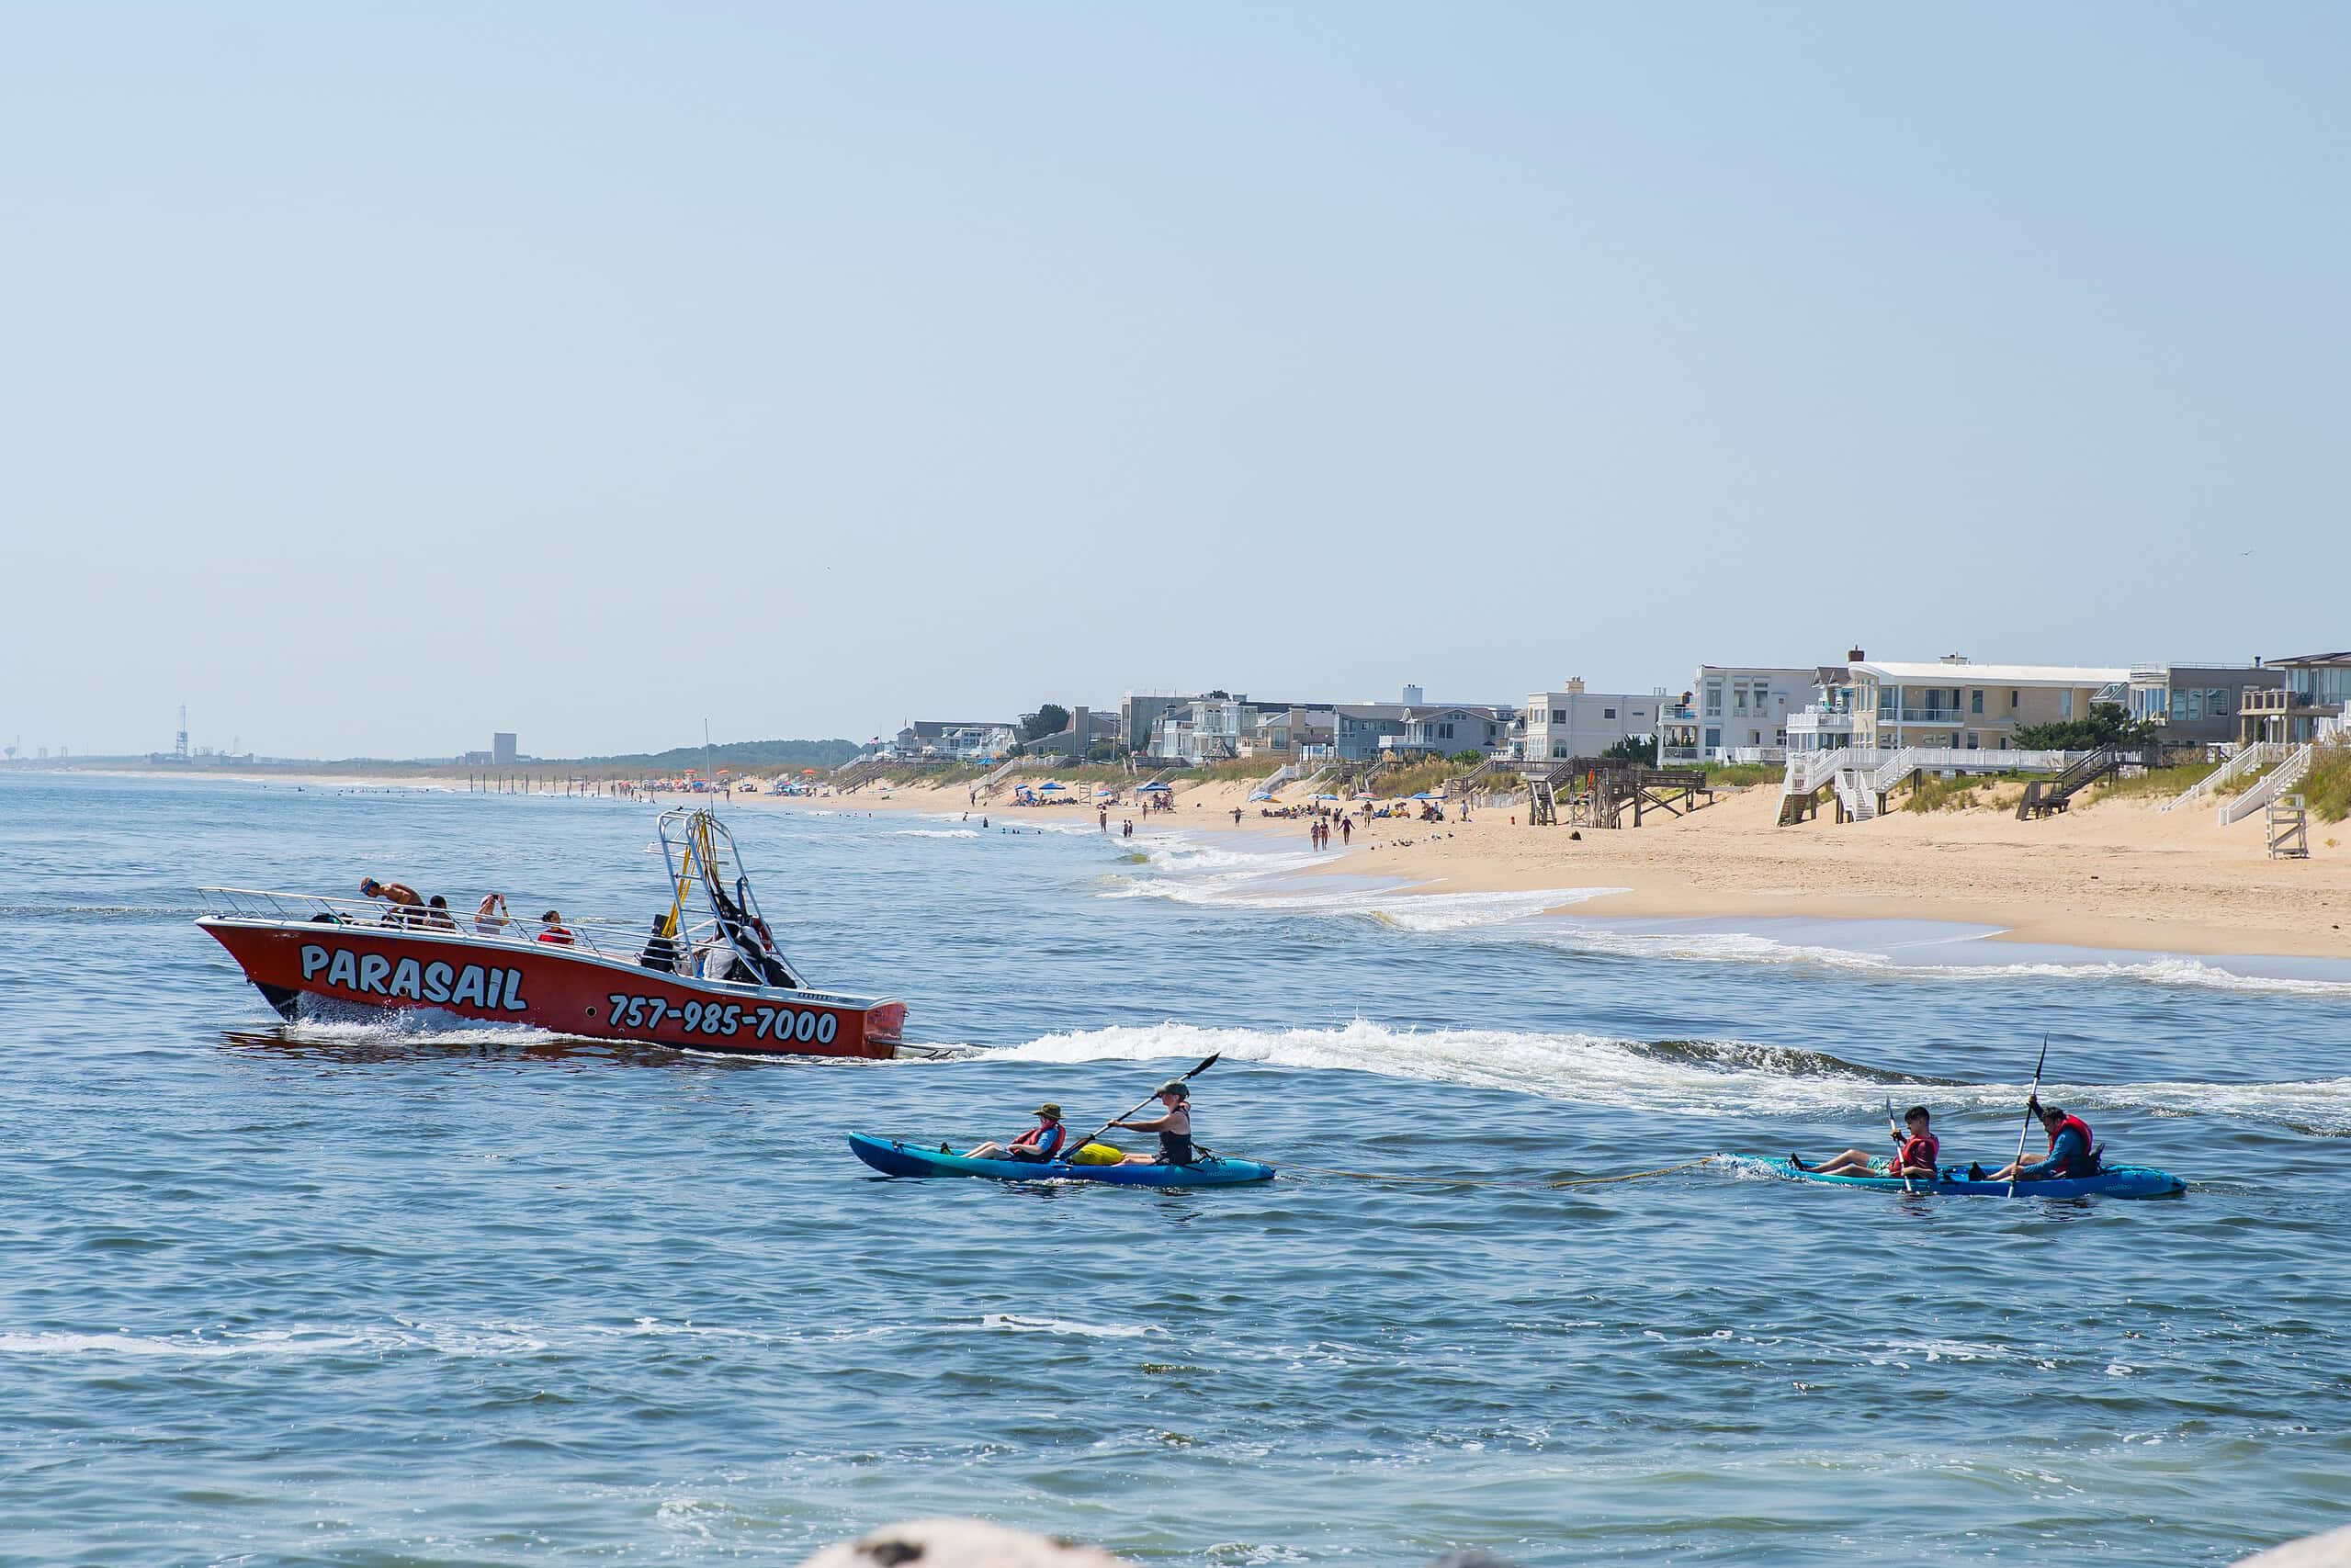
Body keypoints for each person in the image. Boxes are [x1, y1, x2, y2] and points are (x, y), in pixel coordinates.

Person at [1796, 1106, 1938, 1179]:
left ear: (1921, 1122)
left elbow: (1932, 1173)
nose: (1908, 1127)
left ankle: (1814, 1177)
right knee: (1851, 1154)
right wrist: (1902, 1139)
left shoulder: (1924, 1145)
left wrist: (1913, 1170)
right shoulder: (1926, 1138)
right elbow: (1913, 1153)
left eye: (1910, 1124)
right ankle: (1812, 1171)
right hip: (1889, 1165)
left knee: (1851, 1169)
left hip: (1893, 1174)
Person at [1987, 1100, 2097, 1183]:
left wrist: (2024, 1170)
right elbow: (2046, 1119)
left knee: (2026, 1175)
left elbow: (2052, 1163)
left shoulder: (2065, 1137)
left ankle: (1995, 1185)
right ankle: (1991, 1178)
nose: (2045, 1128)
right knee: (2025, 1158)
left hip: (2067, 1171)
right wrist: (2035, 1106)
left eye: (2047, 1125)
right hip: (2062, 1164)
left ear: (2058, 1121)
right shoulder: (2059, 1121)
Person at [1114, 1080, 1195, 1166]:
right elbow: (1186, 1103)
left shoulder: (1177, 1117)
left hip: (1174, 1161)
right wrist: (1163, 1093)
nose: (1161, 1096)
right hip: (1163, 1156)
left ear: (1175, 1097)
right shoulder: (1184, 1107)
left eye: (1164, 1093)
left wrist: (1121, 1125)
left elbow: (1150, 1127)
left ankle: (1101, 1174)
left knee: (1128, 1162)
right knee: (1125, 1156)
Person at [967, 1104, 1070, 1162]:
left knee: (993, 1150)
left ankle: (965, 1163)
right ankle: (962, 1159)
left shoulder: (1049, 1133)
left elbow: (1038, 1150)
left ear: (1043, 1118)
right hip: (1025, 1155)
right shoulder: (1052, 1129)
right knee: (991, 1143)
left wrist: (1019, 1146)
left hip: (1028, 1158)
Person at [358, 876, 424, 926]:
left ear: (372, 888)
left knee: (415, 928)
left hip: (415, 907)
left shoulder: (388, 890)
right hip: (409, 907)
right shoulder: (385, 891)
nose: (368, 896)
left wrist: (395, 909)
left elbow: (407, 896)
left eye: (367, 893)